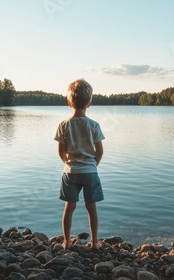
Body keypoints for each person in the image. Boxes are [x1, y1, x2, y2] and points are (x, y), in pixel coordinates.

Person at [54, 78, 105, 250]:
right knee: (92, 209)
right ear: (89, 103)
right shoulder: (94, 125)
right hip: (90, 172)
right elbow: (100, 151)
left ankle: (67, 241)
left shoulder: (63, 125)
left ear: (69, 102)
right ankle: (94, 242)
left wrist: (68, 163)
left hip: (70, 172)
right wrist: (93, 165)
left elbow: (61, 151)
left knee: (69, 207)